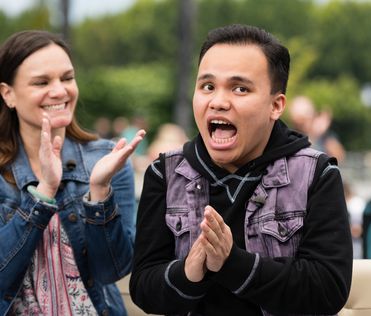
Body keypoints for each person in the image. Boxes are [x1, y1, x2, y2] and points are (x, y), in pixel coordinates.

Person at [130, 24, 352, 315]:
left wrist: (232, 262)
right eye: (207, 86)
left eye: (240, 88)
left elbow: (327, 291)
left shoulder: (317, 175)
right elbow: (143, 288)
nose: (219, 102)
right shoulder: (165, 173)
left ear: (276, 105)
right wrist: (189, 271)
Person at [0, 30, 145, 315]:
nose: (59, 90)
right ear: (8, 94)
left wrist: (99, 192)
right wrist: (42, 195)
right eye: (42, 82)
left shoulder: (108, 159)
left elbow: (112, 270)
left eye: (67, 78)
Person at [288, 96, 346, 163]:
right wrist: (314, 135)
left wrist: (322, 133)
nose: (305, 123)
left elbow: (340, 156)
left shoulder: (325, 135)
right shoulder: (292, 136)